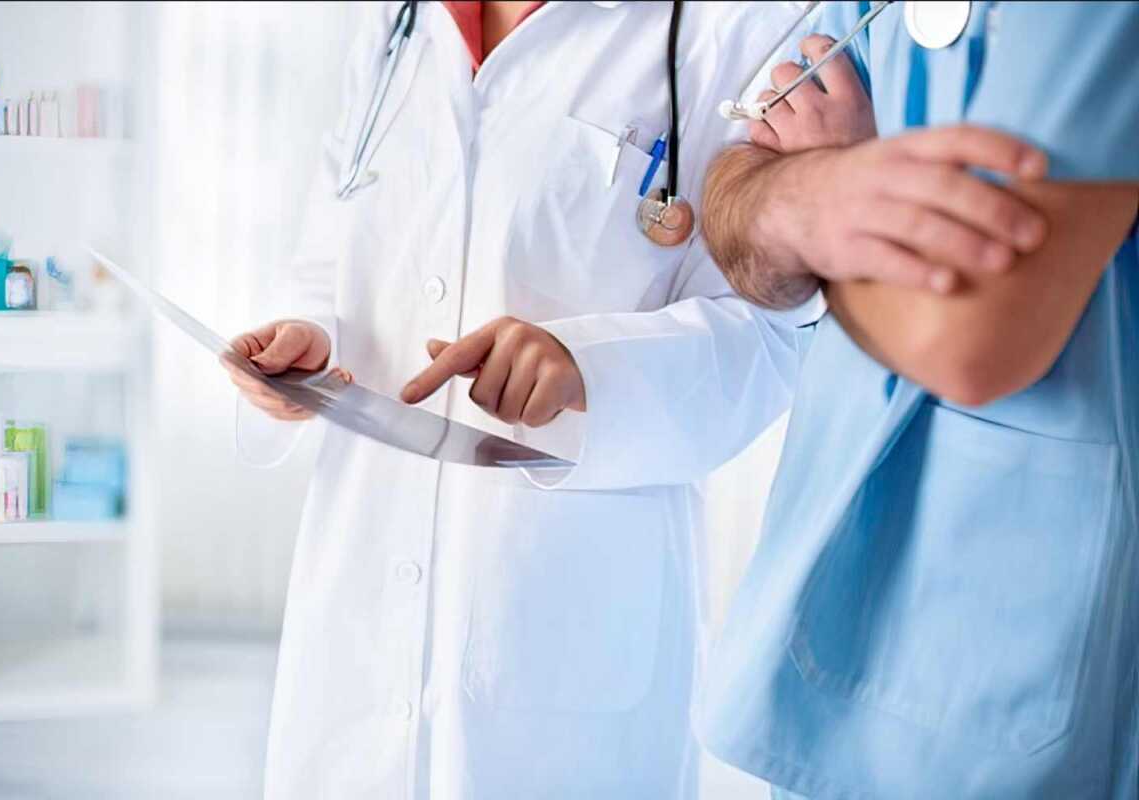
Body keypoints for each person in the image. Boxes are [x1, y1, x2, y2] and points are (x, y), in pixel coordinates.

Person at [222, 2, 829, 797]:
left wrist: (590, 372)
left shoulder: (741, 26)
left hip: (565, 620)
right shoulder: (398, 21)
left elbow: (772, 330)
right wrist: (306, 340)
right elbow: (330, 247)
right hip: (360, 600)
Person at [695, 2, 1138, 799]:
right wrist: (818, 196)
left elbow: (974, 338)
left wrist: (810, 202)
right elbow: (732, 191)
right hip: (829, 654)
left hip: (1014, 668)